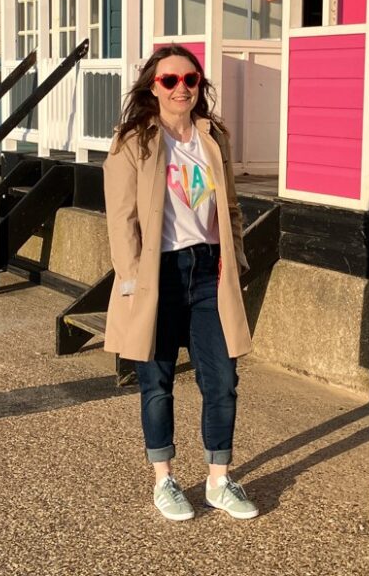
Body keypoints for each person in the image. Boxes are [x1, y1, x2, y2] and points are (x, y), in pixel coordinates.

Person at [103, 44, 259, 522]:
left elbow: (229, 205)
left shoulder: (213, 137)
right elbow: (121, 218)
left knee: (223, 380)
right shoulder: (134, 141)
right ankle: (164, 480)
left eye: (190, 79)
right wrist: (131, 278)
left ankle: (219, 481)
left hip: (210, 271)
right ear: (153, 86)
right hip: (159, 274)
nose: (181, 88)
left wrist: (237, 257)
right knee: (157, 381)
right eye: (170, 80)